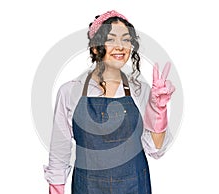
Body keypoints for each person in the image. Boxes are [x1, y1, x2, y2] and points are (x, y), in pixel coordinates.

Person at [43, 10, 175, 194]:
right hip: (87, 188)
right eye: (111, 39)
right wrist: (56, 189)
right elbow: (59, 152)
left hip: (134, 187)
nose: (120, 46)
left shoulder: (141, 91)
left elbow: (156, 150)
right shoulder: (70, 92)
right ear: (96, 47)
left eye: (126, 40)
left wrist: (159, 111)